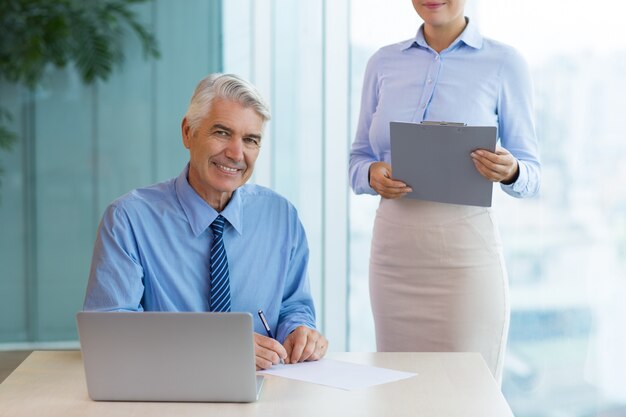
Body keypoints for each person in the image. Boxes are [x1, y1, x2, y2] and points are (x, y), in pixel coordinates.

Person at [349, 0, 540, 384]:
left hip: (466, 260)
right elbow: (358, 159)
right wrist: (371, 173)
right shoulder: (383, 63)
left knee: (468, 393)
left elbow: (531, 173)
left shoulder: (505, 62)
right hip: (394, 259)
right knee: (398, 393)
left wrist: (510, 170)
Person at [84, 73, 328, 370]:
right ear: (188, 132)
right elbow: (109, 333)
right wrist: (214, 347)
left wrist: (299, 333)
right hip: (166, 393)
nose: (236, 153)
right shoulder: (128, 220)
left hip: (265, 390)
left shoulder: (281, 217)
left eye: (250, 140)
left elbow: (293, 305)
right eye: (222, 133)